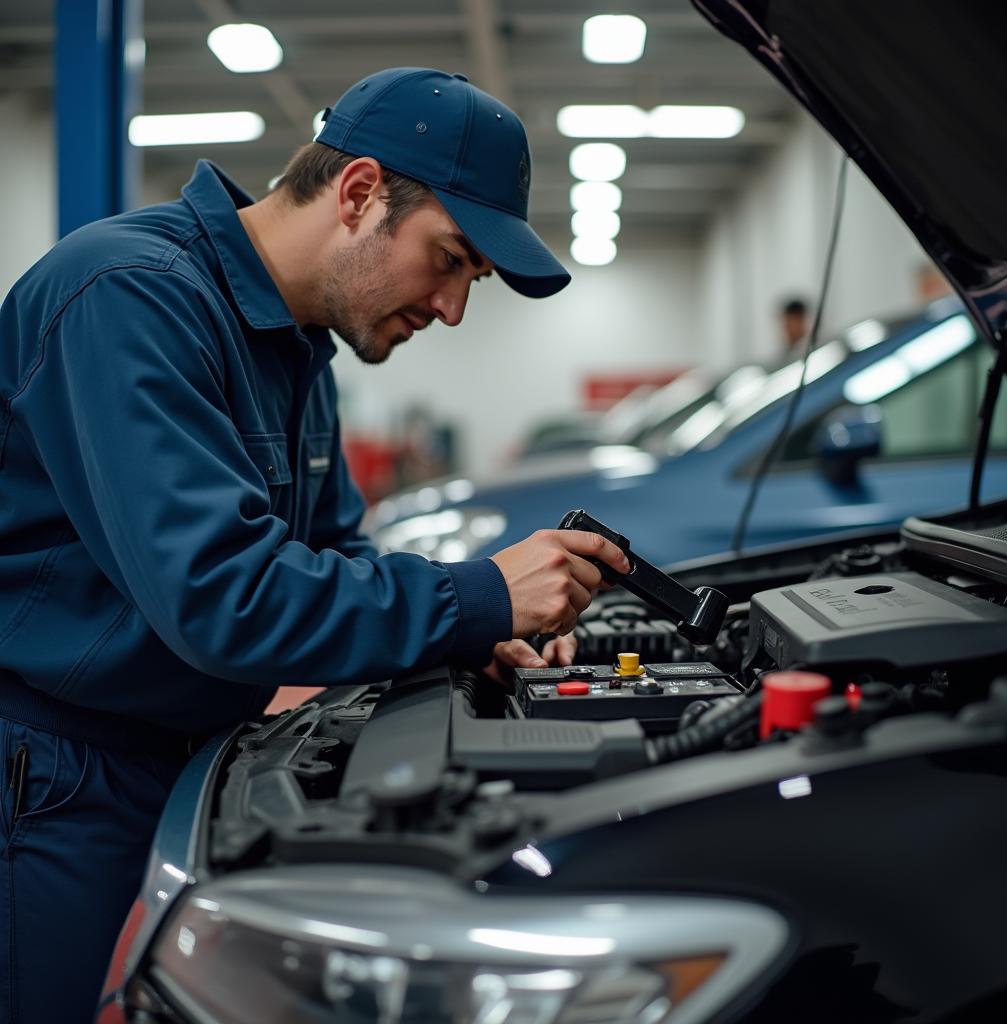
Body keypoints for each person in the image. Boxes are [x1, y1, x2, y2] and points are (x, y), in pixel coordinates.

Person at [0, 67, 629, 1023]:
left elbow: (337, 556)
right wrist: (478, 597)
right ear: (360, 192)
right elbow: (224, 598)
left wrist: (464, 635)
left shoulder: (300, 349)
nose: (454, 308)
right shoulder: (126, 296)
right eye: (451, 259)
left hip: (179, 757)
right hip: (54, 780)